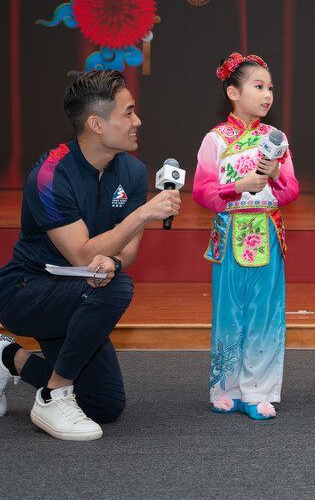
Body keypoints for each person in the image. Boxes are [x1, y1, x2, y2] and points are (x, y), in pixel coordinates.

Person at [0, 69, 181, 440]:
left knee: (104, 406)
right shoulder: (49, 175)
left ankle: (8, 359)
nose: (138, 121)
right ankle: (53, 395)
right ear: (96, 123)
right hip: (26, 290)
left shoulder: (130, 171)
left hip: (78, 294)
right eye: (128, 112)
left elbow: (126, 253)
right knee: (115, 289)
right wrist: (145, 212)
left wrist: (112, 261)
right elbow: (81, 254)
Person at [193, 53, 298, 420]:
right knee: (228, 312)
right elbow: (202, 192)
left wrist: (276, 175)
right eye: (258, 87)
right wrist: (238, 185)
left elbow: (291, 192)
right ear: (233, 92)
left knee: (265, 314)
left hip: (266, 232)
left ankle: (258, 390)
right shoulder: (215, 140)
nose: (267, 95)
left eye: (270, 88)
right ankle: (226, 386)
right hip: (230, 233)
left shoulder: (275, 140)